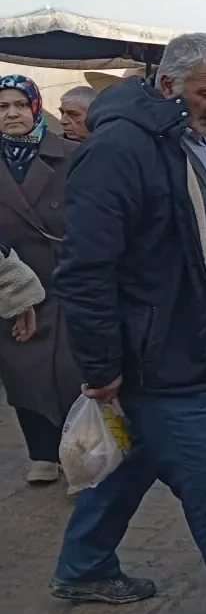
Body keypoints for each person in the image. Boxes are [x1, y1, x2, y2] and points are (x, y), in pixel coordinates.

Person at [51, 33, 206, 605]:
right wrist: (101, 365)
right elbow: (84, 269)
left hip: (179, 336)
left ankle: (83, 567)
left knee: (137, 462)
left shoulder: (193, 139)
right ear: (166, 85)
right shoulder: (121, 150)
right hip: (154, 352)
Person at [0, 75, 82, 486]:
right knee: (22, 371)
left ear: (34, 107)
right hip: (11, 285)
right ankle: (41, 453)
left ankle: (75, 454)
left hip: (64, 280)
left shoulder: (69, 153)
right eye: (2, 107)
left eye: (18, 104)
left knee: (70, 372)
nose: (10, 113)